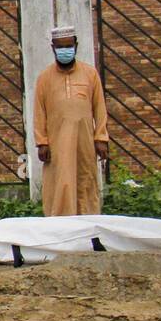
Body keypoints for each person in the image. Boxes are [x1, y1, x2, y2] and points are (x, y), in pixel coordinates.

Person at [33, 25, 109, 216]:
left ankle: (88, 222)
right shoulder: (44, 78)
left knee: (85, 178)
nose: (64, 50)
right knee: (61, 180)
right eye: (60, 47)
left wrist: (101, 138)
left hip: (85, 140)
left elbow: (99, 108)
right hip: (57, 141)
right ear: (53, 48)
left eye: (68, 46)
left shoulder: (90, 74)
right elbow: (39, 112)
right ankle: (60, 223)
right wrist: (41, 142)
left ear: (75, 45)